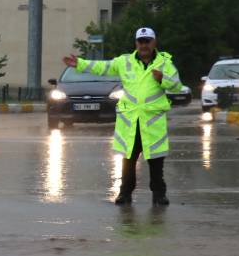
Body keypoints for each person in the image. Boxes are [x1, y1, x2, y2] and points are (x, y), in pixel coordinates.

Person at [63, 27, 182, 206]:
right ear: (136, 43)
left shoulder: (164, 63)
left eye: (147, 41)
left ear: (154, 43)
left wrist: (162, 79)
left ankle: (159, 195)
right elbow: (103, 67)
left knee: (156, 163)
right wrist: (80, 63)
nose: (144, 45)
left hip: (152, 124)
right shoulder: (124, 61)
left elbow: (177, 86)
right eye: (141, 42)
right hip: (131, 122)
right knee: (128, 162)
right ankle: (125, 194)